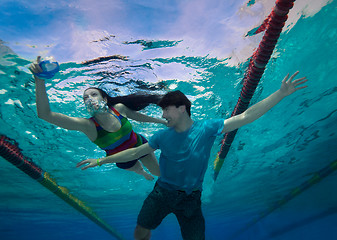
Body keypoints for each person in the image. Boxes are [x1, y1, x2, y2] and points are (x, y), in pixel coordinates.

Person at [77, 71, 308, 239]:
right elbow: (135, 151)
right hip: (162, 193)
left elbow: (246, 116)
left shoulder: (208, 128)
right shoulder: (161, 136)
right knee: (141, 229)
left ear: (181, 108)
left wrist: (281, 93)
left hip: (191, 199)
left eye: (166, 109)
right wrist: (101, 160)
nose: (163, 114)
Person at [29, 56, 167, 180]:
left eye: (94, 94)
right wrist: (39, 81)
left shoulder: (119, 108)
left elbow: (138, 117)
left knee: (158, 173)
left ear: (105, 99)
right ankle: (142, 172)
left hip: (139, 145)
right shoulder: (87, 126)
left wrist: (162, 121)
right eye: (85, 98)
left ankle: (148, 172)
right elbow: (45, 115)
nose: (89, 99)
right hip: (121, 159)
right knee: (138, 169)